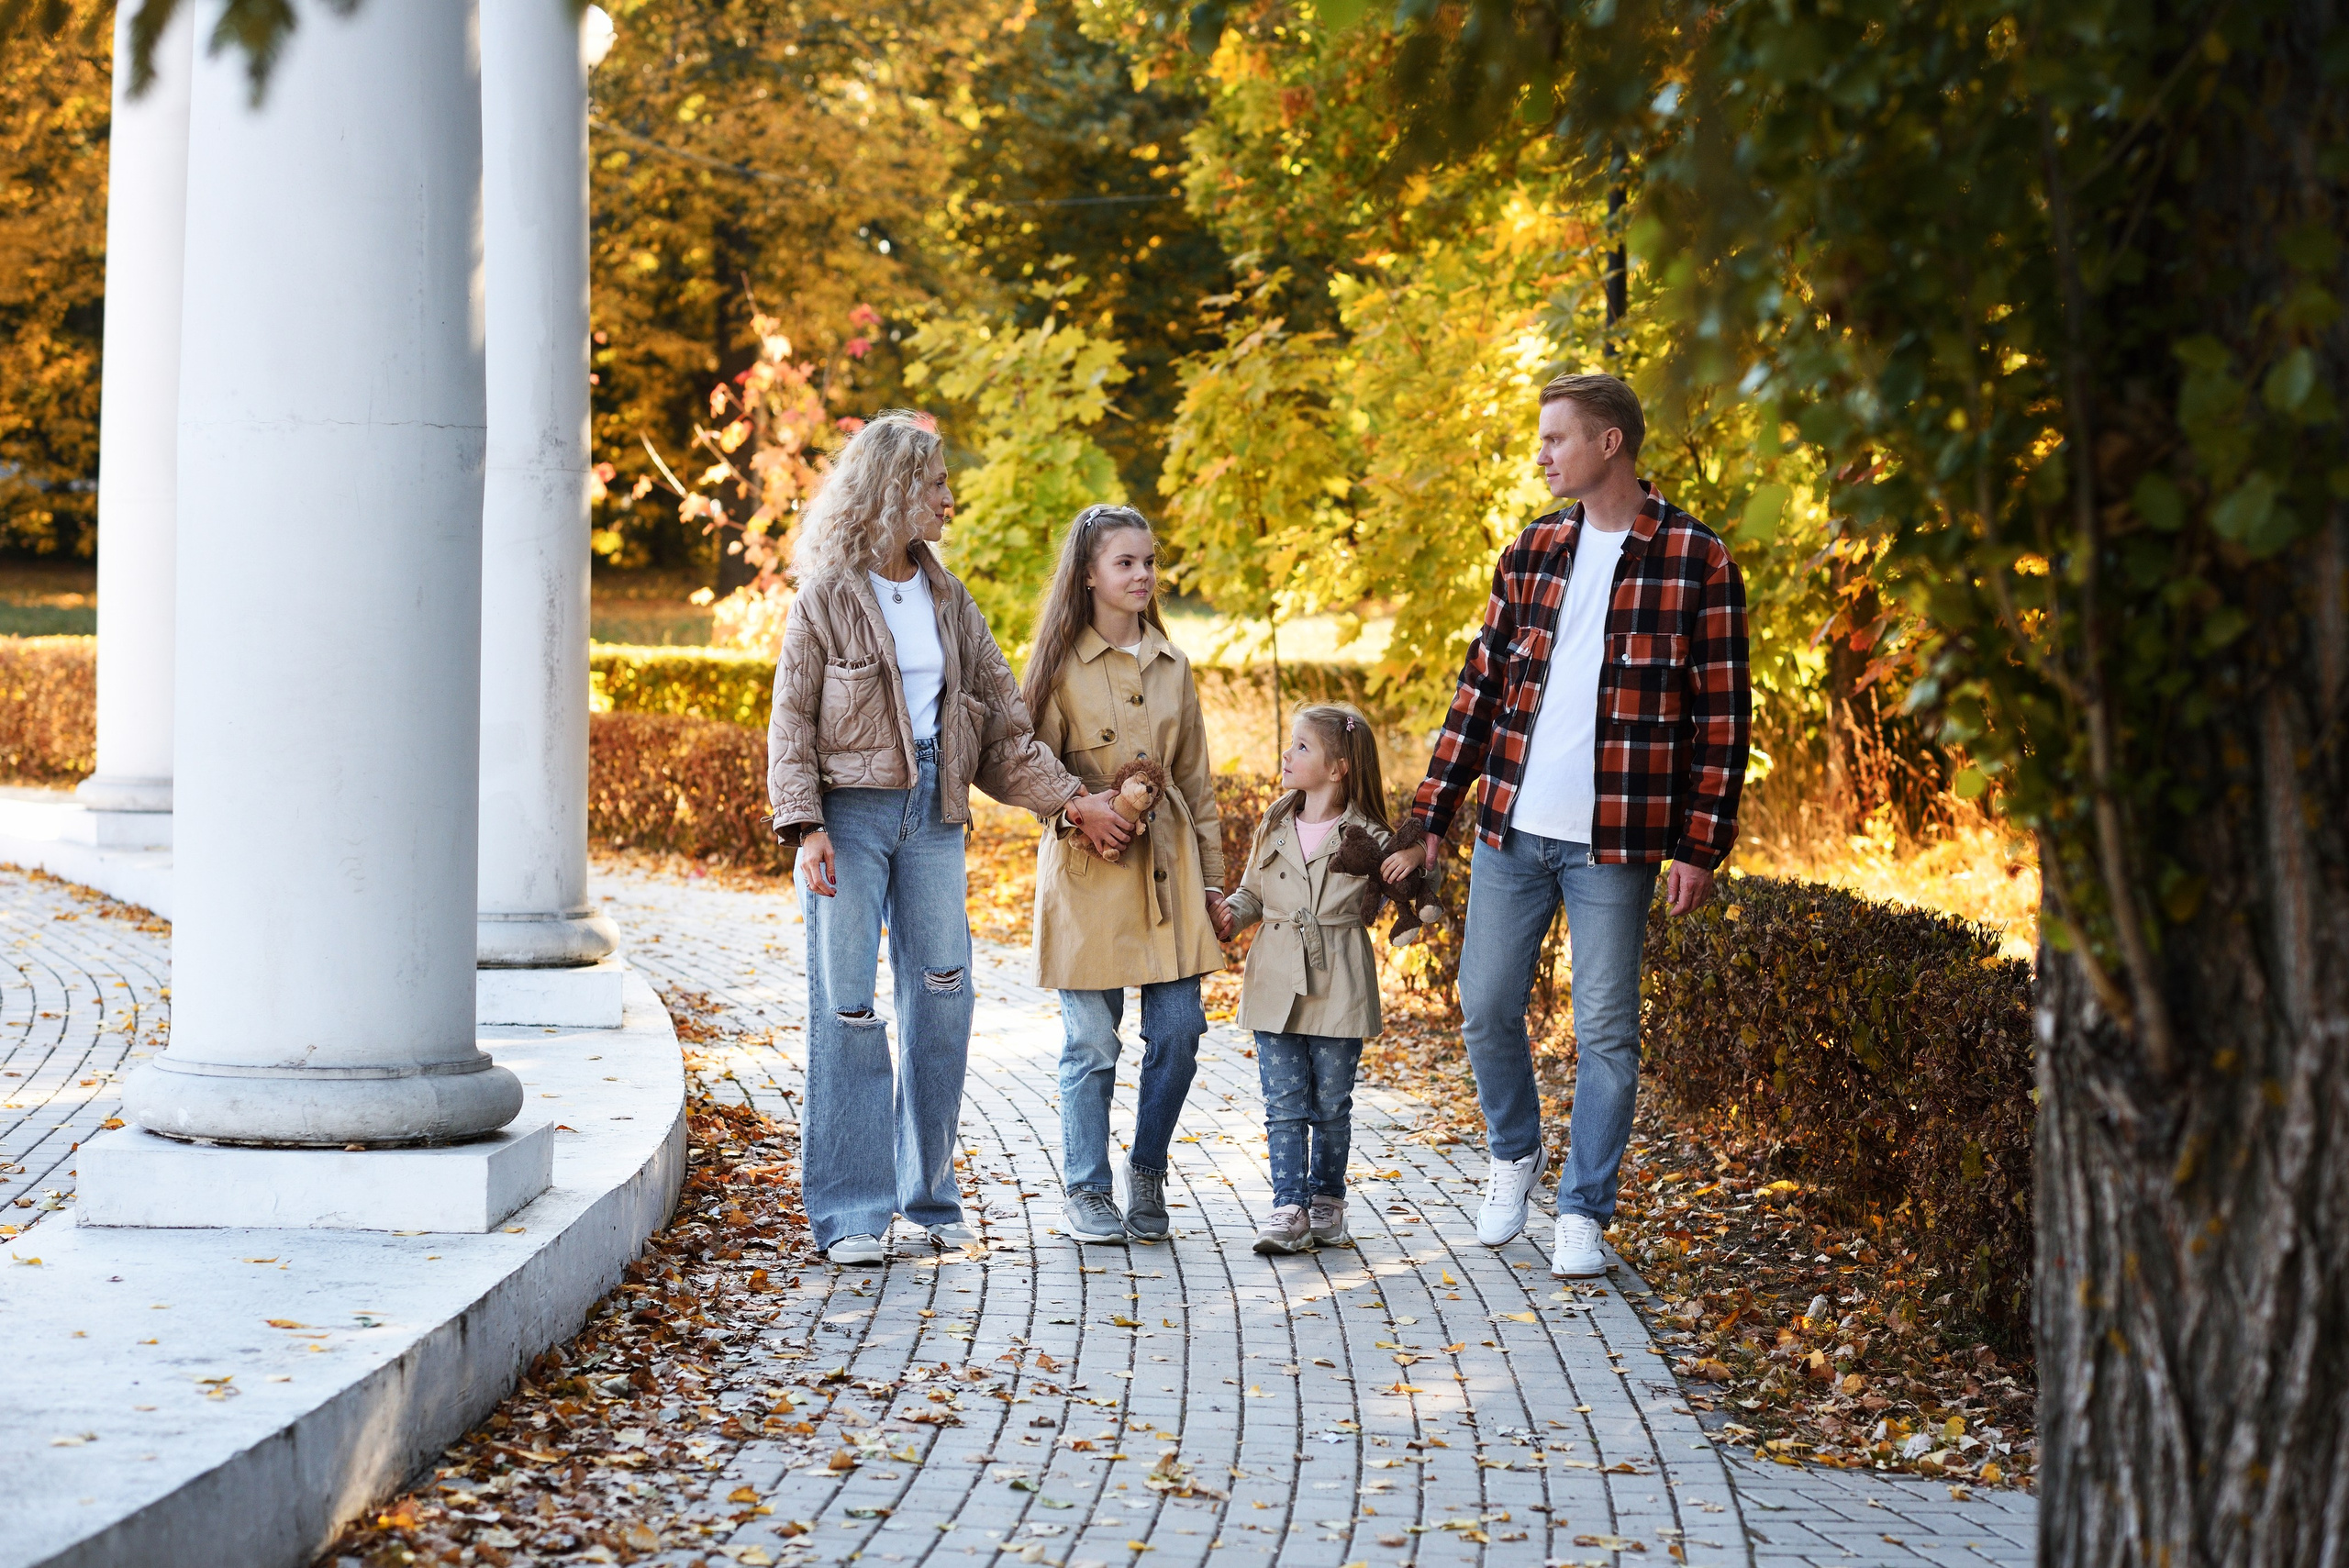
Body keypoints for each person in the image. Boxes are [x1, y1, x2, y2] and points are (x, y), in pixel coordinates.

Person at [1386, 373, 1750, 1278]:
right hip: (1511, 827)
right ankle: (1515, 1150)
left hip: (1614, 842)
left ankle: (1584, 1208)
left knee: (1606, 1032)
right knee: (1486, 1005)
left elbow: (1723, 717)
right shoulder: (1531, 550)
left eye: (1556, 438)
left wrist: (1700, 843)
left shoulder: (1697, 561)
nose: (1542, 454)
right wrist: (1431, 816)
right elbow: (1477, 691)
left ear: (1609, 444)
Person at [767, 413, 1136, 1265]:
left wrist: (1072, 801)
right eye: (936, 484)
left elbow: (1003, 729)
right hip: (848, 821)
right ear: (895, 488)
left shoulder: (949, 599)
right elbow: (788, 725)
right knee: (849, 1008)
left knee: (945, 999)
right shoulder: (824, 598)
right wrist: (807, 827)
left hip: (934, 816)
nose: (950, 500)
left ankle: (925, 1195)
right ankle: (852, 1213)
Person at [1021, 505, 1229, 1245]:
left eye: (1149, 561)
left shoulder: (1173, 663)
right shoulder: (1056, 665)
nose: (1143, 574)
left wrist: (1213, 882)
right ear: (1088, 576)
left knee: (1180, 1032)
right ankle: (1086, 1188)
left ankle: (1147, 1168)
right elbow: (1025, 766)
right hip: (1088, 878)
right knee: (1093, 1043)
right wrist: (1077, 808)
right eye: (1126, 563)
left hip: (1170, 879)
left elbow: (1198, 783)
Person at [1216, 704, 1388, 1255]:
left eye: (1302, 747)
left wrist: (1414, 860)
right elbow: (1252, 892)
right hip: (1275, 975)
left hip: (1338, 975)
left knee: (1331, 1102)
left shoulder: (1365, 832)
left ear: (1338, 768)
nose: (1287, 755)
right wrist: (1230, 916)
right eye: (1290, 744)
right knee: (1283, 1102)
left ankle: (1327, 1203)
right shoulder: (1274, 821)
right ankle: (1288, 1206)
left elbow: (1409, 883)